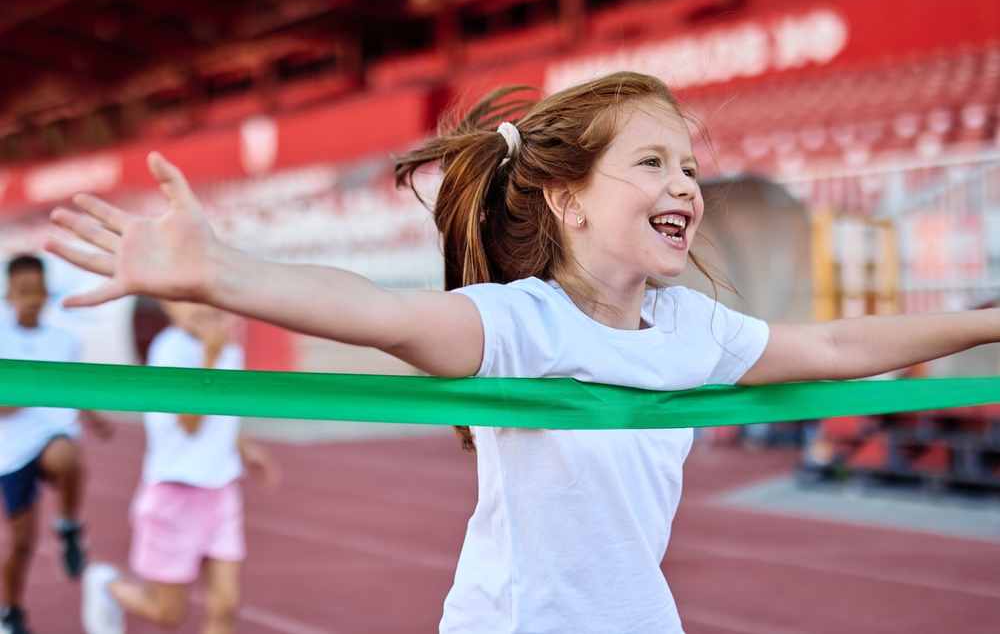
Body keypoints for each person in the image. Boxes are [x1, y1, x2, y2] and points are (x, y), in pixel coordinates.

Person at [43, 71, 1000, 633]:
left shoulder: (692, 329)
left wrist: (988, 316)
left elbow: (839, 342)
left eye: (692, 167)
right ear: (569, 198)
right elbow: (377, 310)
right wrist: (222, 273)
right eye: (654, 163)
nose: (687, 185)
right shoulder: (519, 323)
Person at [81, 301, 279, 634]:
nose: (204, 309)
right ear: (170, 307)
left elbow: (222, 413)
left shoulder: (228, 350)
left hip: (221, 492)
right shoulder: (169, 350)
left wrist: (247, 448)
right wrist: (211, 359)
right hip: (174, 495)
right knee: (169, 614)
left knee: (225, 606)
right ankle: (106, 586)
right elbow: (190, 422)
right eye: (191, 302)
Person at [0, 255, 113, 634]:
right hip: (12, 450)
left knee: (66, 455)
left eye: (38, 290)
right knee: (22, 543)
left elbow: (72, 387)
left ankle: (68, 525)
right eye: (24, 291)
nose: (33, 298)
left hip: (52, 437)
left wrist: (95, 418)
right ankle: (11, 611)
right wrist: (30, 390)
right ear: (9, 294)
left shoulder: (64, 339)